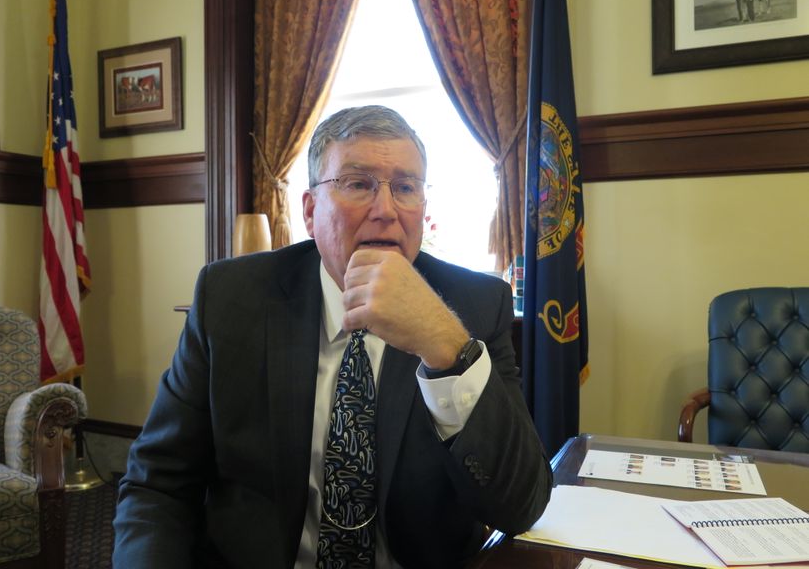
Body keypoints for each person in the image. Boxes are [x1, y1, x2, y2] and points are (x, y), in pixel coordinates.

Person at [113, 105, 552, 568]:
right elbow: (157, 484)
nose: (386, 211)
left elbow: (519, 506)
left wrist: (445, 346)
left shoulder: (477, 304)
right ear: (310, 210)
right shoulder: (229, 299)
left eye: (405, 187)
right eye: (358, 184)